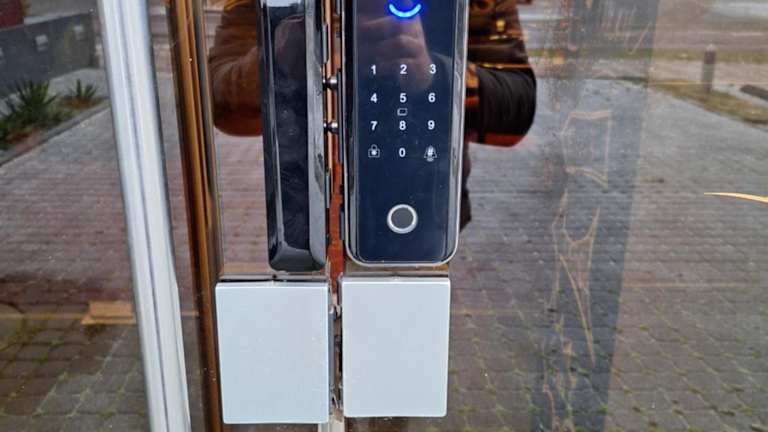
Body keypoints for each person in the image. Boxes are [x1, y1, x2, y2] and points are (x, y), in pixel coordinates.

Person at [209, 0, 536, 230]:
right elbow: (219, 100)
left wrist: (432, 75)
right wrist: (282, 55)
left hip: (422, 203)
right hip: (310, 213)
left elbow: (517, 107)